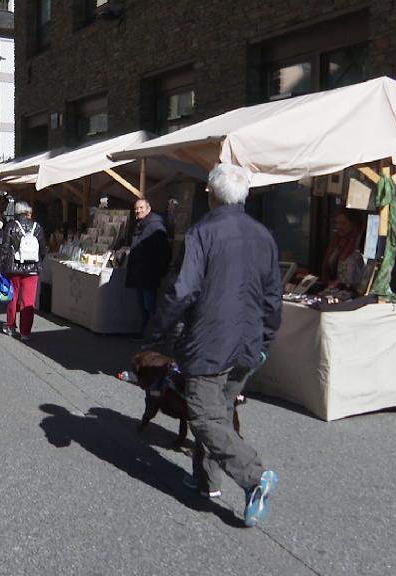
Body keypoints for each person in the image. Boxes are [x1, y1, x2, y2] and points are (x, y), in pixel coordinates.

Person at [149, 163, 282, 528]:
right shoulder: (263, 235)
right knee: (219, 411)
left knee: (205, 415)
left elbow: (183, 289)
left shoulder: (203, 232)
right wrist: (268, 337)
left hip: (211, 341)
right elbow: (273, 295)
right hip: (248, 341)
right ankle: (206, 481)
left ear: (210, 194)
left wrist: (157, 327)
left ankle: (255, 477)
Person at [0, 201, 46, 341]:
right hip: (32, 270)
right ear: (28, 213)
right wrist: (37, 261)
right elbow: (43, 249)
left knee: (12, 298)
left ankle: (11, 326)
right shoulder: (37, 227)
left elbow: (4, 249)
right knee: (28, 302)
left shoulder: (11, 227)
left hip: (13, 269)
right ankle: (25, 332)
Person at [124, 198, 171, 336]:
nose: (138, 211)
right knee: (143, 304)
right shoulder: (140, 224)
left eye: (141, 208)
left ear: (148, 209)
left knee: (149, 304)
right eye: (136, 209)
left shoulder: (154, 226)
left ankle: (153, 333)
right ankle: (145, 331)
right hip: (140, 272)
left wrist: (159, 271)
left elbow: (163, 251)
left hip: (148, 272)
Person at [320, 209, 366, 291]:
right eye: (336, 223)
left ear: (353, 224)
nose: (338, 227)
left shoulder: (361, 244)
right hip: (333, 289)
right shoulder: (336, 241)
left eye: (343, 223)